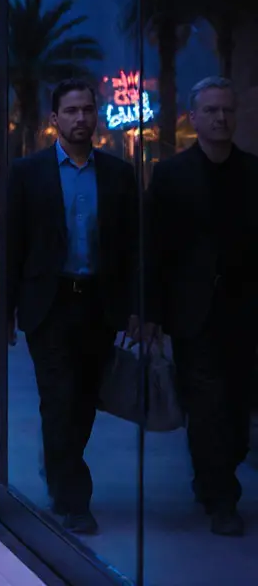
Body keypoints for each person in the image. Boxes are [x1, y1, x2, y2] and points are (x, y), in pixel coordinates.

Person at [6, 78, 138, 535]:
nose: (81, 118)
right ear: (54, 119)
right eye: (72, 110)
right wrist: (5, 312)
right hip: (50, 304)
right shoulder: (28, 173)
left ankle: (60, 466)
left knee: (83, 403)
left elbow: (132, 247)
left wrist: (137, 309)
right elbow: (13, 246)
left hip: (99, 306)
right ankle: (73, 498)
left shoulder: (119, 176)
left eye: (87, 110)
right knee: (58, 401)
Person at [146, 77, 258, 537]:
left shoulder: (253, 173)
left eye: (227, 110)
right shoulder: (172, 175)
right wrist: (150, 313)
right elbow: (154, 248)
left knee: (237, 409)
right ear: (195, 118)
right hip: (193, 314)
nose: (220, 118)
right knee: (207, 404)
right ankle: (221, 496)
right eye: (211, 110)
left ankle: (215, 476)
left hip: (245, 313)